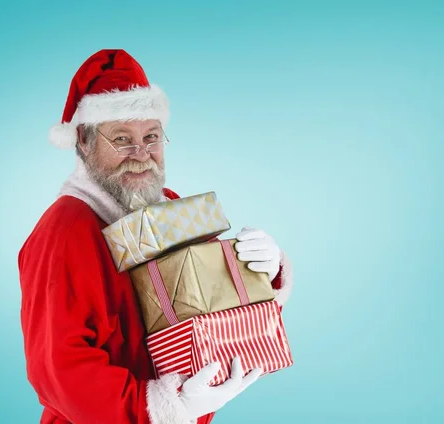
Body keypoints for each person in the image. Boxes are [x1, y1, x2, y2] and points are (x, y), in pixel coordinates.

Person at [18, 49, 293, 424]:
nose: (141, 154)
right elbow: (58, 370)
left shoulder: (168, 206)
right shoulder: (65, 232)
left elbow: (216, 295)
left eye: (151, 136)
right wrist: (166, 409)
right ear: (83, 142)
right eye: (121, 139)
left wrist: (264, 269)